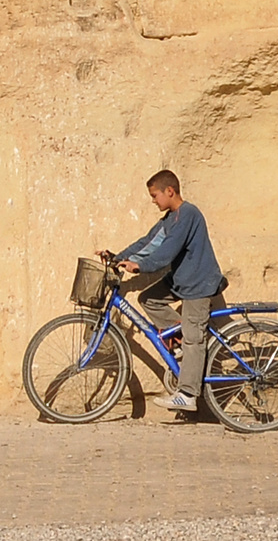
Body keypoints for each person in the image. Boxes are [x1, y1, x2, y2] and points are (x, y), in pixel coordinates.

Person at [100, 169, 226, 414]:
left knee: (193, 338)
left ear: (170, 191)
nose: (153, 201)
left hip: (198, 283)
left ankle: (187, 394)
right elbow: (148, 242)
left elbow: (166, 252)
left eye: (154, 195)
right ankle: (179, 342)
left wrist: (141, 266)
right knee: (149, 299)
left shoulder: (188, 214)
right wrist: (118, 257)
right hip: (182, 280)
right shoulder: (170, 219)